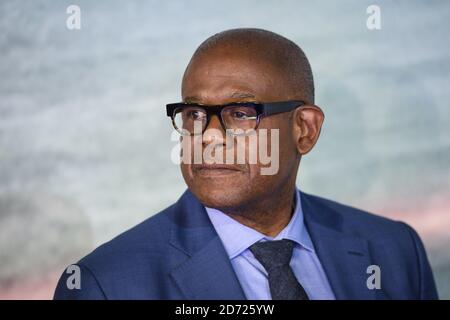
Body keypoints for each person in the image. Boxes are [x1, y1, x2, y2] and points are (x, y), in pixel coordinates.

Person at [54, 28, 438, 300]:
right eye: (193, 113)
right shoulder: (105, 285)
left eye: (239, 113)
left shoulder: (394, 249)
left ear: (304, 129)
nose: (207, 135)